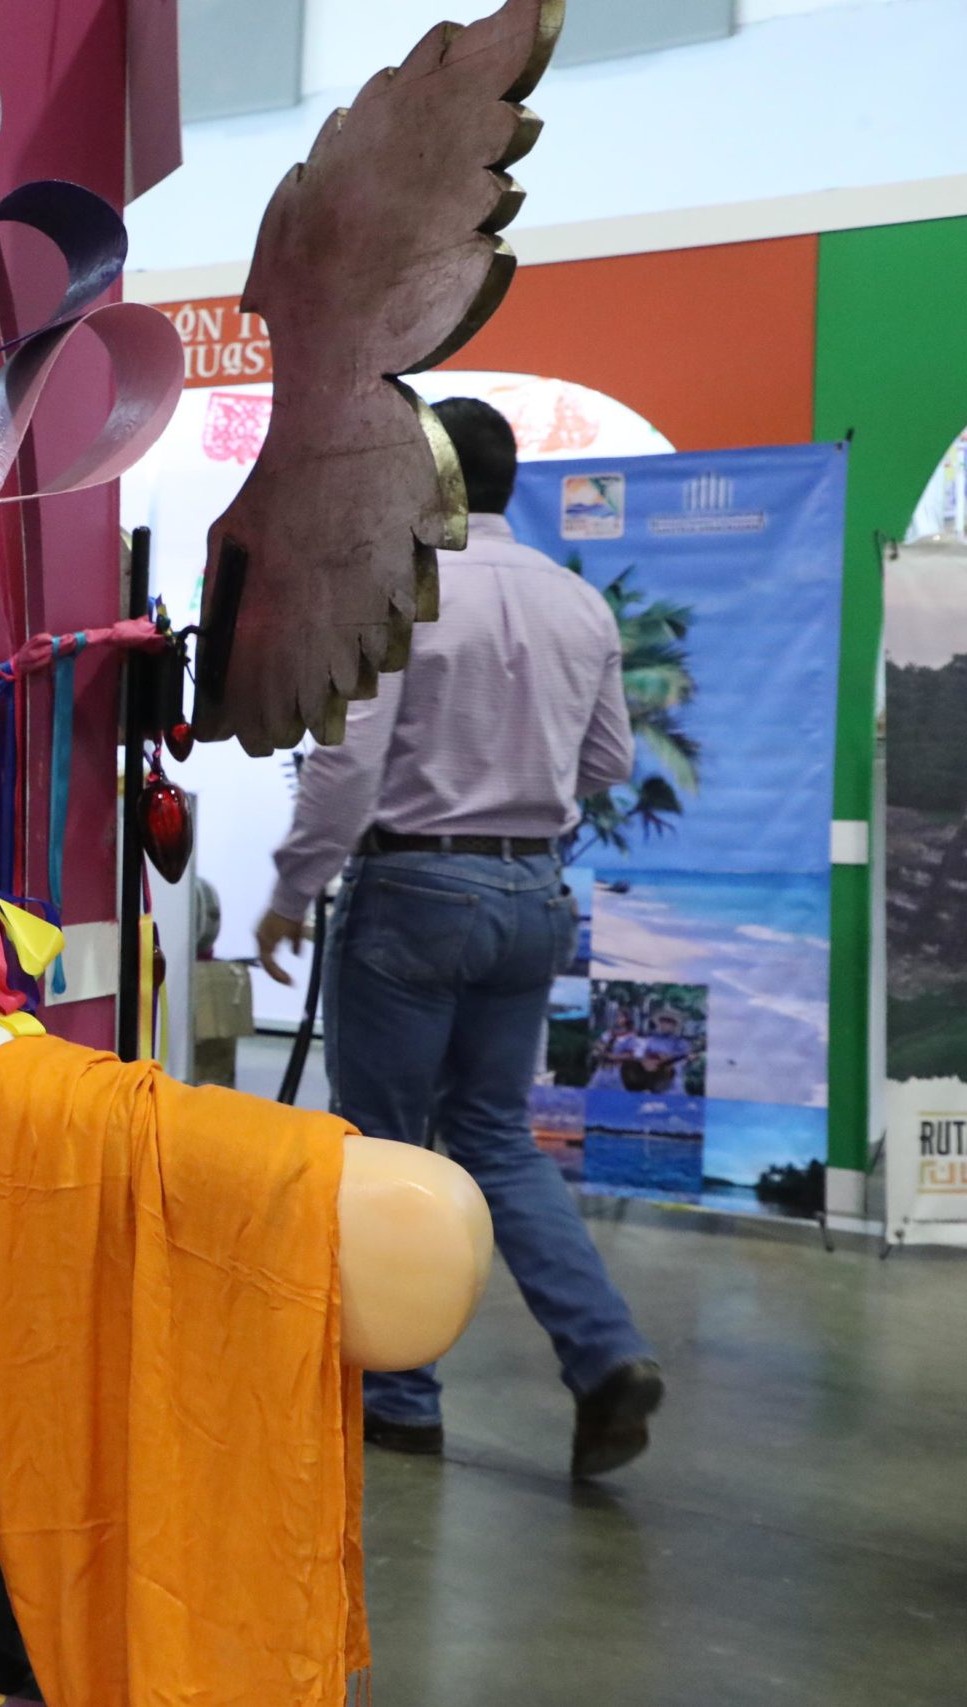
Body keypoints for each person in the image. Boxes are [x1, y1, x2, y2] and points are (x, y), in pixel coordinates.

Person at [255, 395, 663, 1479]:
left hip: (413, 893)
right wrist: (520, 785)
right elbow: (610, 761)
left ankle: (399, 1398)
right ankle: (605, 1354)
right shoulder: (578, 602)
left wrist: (291, 889)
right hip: (532, 893)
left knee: (383, 1147)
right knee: (493, 1136)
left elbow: (346, 767)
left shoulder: (402, 594)